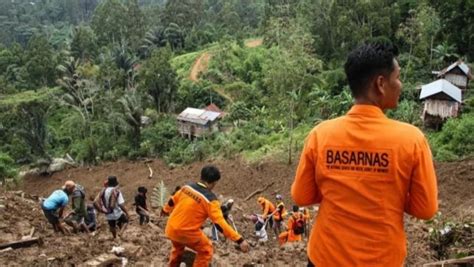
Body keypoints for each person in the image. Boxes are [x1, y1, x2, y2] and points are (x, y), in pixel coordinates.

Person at [291, 42, 438, 266]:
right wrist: (391, 190)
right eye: (397, 78)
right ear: (380, 83)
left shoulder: (320, 135)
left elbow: (302, 197)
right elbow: (425, 209)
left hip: (325, 257)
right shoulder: (411, 140)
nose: (400, 84)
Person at [162, 165, 249, 266]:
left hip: (171, 228)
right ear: (215, 182)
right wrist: (239, 240)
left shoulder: (186, 187)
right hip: (187, 232)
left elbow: (172, 200)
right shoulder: (211, 200)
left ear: (201, 176)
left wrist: (165, 210)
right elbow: (219, 224)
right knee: (206, 250)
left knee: (178, 247)